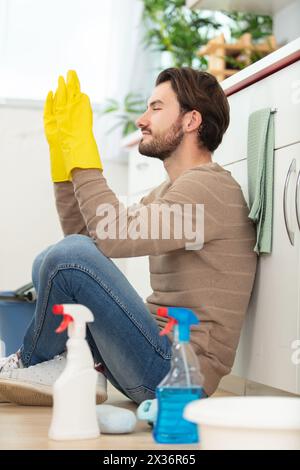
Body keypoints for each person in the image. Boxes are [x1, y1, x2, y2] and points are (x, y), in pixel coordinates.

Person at [0, 68, 257, 406]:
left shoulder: (209, 189)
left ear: (191, 120)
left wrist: (82, 151)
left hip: (178, 375)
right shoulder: (174, 191)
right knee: (51, 258)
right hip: (153, 357)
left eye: (156, 107)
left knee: (67, 256)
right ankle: (55, 363)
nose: (142, 119)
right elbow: (83, 238)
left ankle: (32, 362)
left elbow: (104, 239)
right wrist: (64, 162)